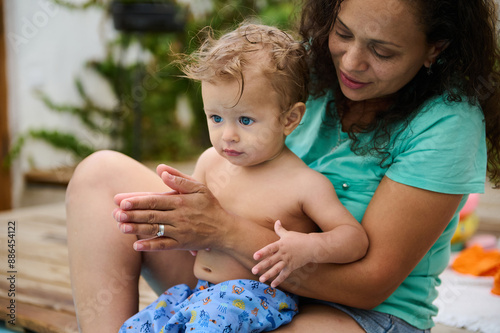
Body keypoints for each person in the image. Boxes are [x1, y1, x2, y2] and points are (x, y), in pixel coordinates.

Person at [66, 0, 500, 332]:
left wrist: (219, 229)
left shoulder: (448, 123)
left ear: (434, 49)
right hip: (232, 281)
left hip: (356, 310)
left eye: (382, 51)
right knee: (99, 175)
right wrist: (188, 222)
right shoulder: (308, 68)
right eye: (343, 33)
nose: (350, 62)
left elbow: (371, 283)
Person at [117, 22, 368, 333]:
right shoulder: (210, 162)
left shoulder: (304, 184)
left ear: (290, 119)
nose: (228, 135)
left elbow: (353, 239)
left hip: (256, 298)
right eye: (216, 118)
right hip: (200, 291)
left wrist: (309, 247)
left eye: (245, 120)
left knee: (208, 322)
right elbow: (192, 217)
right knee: (142, 325)